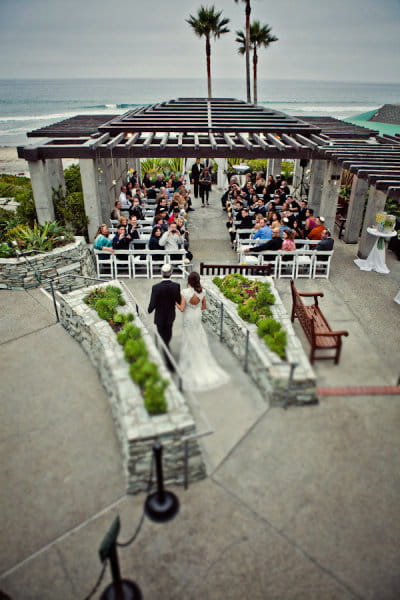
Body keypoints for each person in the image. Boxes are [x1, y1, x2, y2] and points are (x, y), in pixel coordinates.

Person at [176, 271, 229, 392]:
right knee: (197, 334)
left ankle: (191, 360)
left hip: (189, 316)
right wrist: (196, 307)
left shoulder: (184, 292)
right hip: (197, 315)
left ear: (189, 281)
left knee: (189, 337)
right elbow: (204, 306)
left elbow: (182, 309)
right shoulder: (202, 292)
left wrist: (175, 303)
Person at [148, 264, 181, 370]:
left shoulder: (155, 288)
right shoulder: (176, 286)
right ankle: (169, 361)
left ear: (161, 274)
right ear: (171, 274)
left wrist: (149, 310)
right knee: (167, 337)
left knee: (164, 339)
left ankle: (169, 360)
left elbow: (152, 305)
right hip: (170, 317)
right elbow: (179, 301)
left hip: (159, 318)